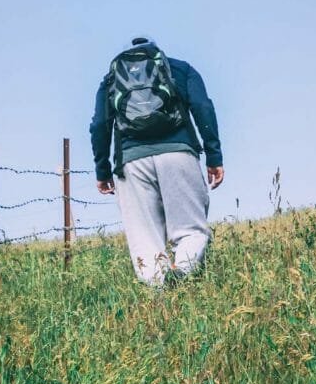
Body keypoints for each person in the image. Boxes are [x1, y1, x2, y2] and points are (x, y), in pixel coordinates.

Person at [89, 36, 224, 286]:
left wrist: (103, 170)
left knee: (144, 240)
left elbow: (99, 125)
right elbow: (203, 108)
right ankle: (182, 274)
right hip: (178, 154)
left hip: (131, 162)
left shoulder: (111, 80)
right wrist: (213, 155)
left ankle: (159, 294)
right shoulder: (180, 68)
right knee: (191, 231)